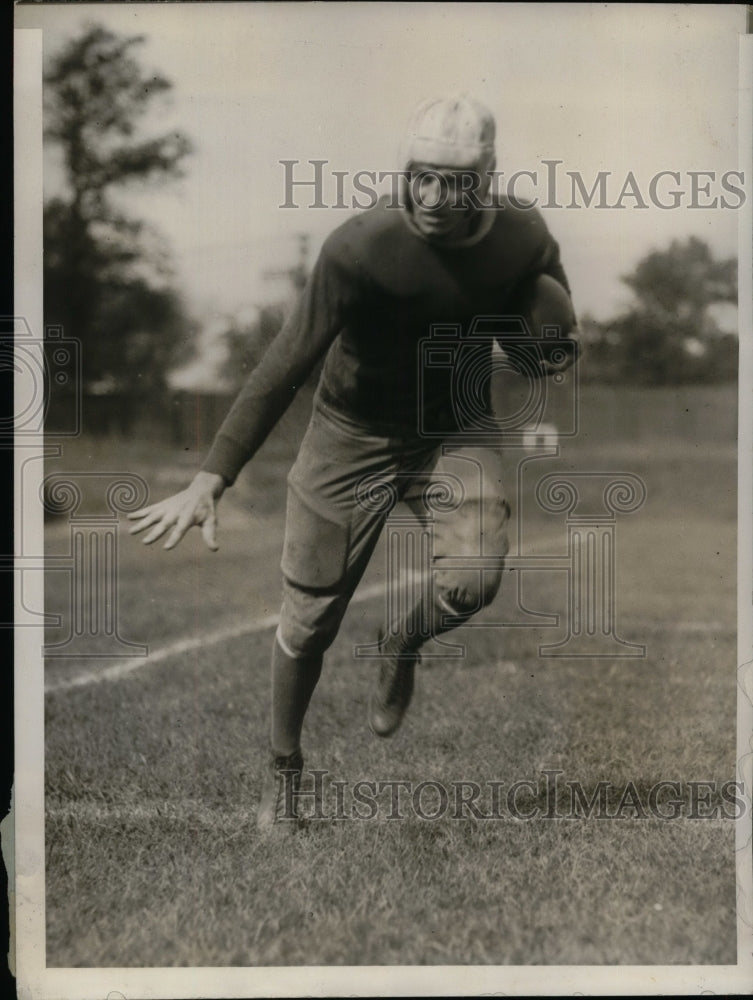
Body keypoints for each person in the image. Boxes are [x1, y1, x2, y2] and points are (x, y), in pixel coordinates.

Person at [128, 95, 580, 833]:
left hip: (454, 428)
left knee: (471, 581)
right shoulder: (360, 246)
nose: (432, 197)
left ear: (487, 178)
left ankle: (400, 640)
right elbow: (284, 362)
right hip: (351, 432)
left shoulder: (523, 236)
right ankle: (284, 773)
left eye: (454, 181)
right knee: (307, 622)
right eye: (420, 176)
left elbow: (550, 318)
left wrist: (545, 350)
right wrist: (212, 474)